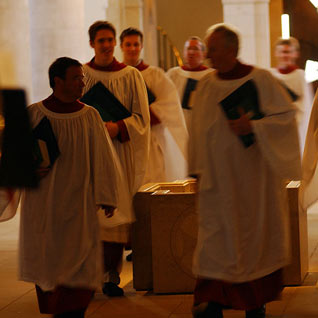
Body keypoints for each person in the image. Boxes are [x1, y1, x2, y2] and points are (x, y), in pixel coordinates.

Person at [188, 24, 301, 318]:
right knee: (215, 241)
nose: (207, 55)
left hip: (252, 183)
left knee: (251, 242)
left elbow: (287, 119)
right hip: (216, 182)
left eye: (212, 49)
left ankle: (254, 303)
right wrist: (196, 172)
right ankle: (212, 301)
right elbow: (197, 132)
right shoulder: (207, 86)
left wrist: (255, 126)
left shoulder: (260, 79)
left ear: (231, 50)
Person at [18, 57, 123, 318]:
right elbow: (14, 162)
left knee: (80, 268)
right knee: (50, 265)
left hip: (79, 206)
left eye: (82, 78)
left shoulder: (89, 115)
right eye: (76, 78)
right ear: (58, 81)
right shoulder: (33, 114)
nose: (82, 83)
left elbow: (103, 158)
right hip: (44, 206)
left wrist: (107, 196)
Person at [82, 21, 150, 297]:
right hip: (88, 157)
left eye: (111, 40)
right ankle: (88, 276)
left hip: (118, 154)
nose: (108, 45)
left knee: (114, 217)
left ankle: (111, 276)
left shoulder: (131, 75)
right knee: (90, 218)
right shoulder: (81, 75)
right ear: (92, 44)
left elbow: (141, 119)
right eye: (102, 41)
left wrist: (118, 127)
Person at [120, 27, 188, 183]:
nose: (132, 49)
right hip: (125, 141)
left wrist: (137, 117)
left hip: (151, 141)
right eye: (128, 44)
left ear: (141, 46)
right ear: (121, 46)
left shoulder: (156, 75)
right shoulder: (116, 76)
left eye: (136, 44)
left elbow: (169, 105)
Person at [270, 37, 313, 155]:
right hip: (275, 129)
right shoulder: (270, 75)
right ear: (276, 53)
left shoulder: (300, 76)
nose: (285, 56)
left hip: (295, 128)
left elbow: (306, 107)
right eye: (282, 52)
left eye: (288, 52)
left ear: (295, 54)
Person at [167, 36, 213, 129]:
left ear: (204, 54)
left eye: (195, 49)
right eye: (188, 49)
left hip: (202, 126)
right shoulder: (173, 74)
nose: (191, 52)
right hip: (178, 127)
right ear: (184, 53)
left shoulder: (211, 76)